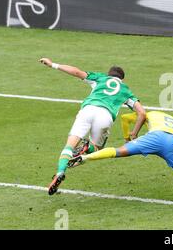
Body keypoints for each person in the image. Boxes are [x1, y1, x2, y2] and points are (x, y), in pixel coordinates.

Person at [39, 58, 146, 195]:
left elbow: (77, 72)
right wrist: (134, 133)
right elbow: (142, 113)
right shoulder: (126, 90)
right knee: (96, 150)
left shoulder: (100, 78)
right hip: (105, 116)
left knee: (69, 146)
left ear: (109, 75)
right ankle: (87, 147)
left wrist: (53, 64)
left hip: (88, 110)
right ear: (122, 80)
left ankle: (60, 172)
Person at [68, 111, 173, 205]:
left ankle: (85, 158)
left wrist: (128, 136)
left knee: (117, 151)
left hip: (154, 137)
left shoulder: (151, 114)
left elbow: (125, 118)